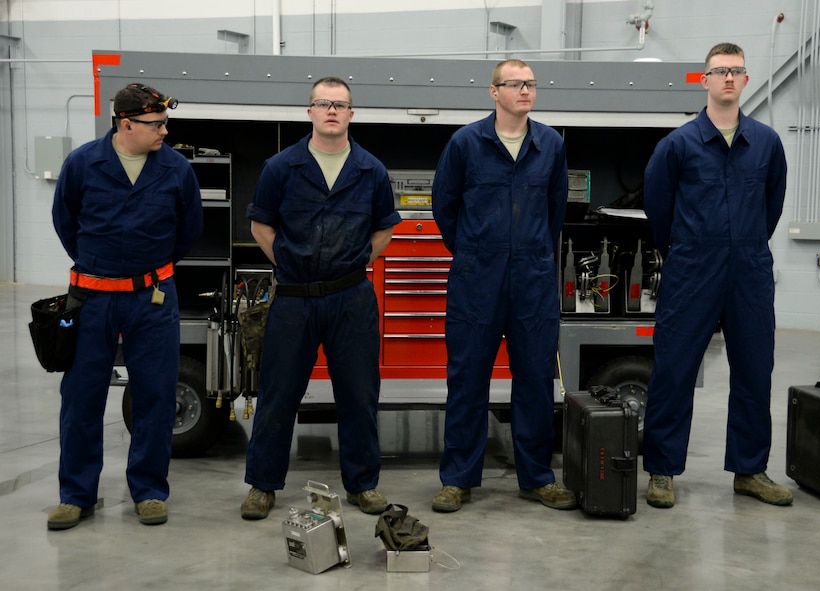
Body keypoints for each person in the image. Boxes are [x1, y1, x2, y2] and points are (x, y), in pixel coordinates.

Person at [240, 77, 401, 519]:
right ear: (309, 111)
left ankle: (363, 485)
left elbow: (384, 228)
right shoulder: (281, 167)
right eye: (323, 103)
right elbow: (261, 226)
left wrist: (354, 262)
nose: (332, 111)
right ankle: (262, 485)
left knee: (359, 394)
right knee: (278, 394)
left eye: (341, 105)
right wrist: (291, 265)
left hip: (351, 298)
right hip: (293, 299)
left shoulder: (371, 170)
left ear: (352, 114)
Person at [642, 43, 791, 509]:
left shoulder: (766, 143)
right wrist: (689, 250)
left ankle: (750, 470)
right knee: (674, 369)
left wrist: (743, 246)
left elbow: (772, 206)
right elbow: (658, 209)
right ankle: (662, 471)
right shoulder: (678, 145)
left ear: (746, 81)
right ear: (704, 80)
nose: (728, 78)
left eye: (736, 71)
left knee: (754, 369)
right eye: (719, 71)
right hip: (692, 270)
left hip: (749, 269)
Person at [49, 83, 203, 529]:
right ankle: (76, 495)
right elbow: (66, 223)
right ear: (126, 123)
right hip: (92, 298)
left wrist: (145, 269)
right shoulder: (82, 164)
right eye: (156, 125)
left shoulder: (176, 169)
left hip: (151, 298)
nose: (165, 132)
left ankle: (150, 490)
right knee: (81, 397)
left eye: (165, 124)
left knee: (155, 394)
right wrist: (103, 266)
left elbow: (188, 229)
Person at [431, 59, 574, 512]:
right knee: (468, 379)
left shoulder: (550, 143)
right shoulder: (466, 143)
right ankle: (458, 479)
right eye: (516, 84)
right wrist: (474, 252)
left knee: (534, 379)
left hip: (533, 278)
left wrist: (533, 253)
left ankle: (537, 477)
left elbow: (556, 210)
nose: (526, 91)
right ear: (494, 92)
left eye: (531, 84)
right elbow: (444, 205)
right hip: (477, 278)